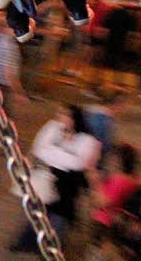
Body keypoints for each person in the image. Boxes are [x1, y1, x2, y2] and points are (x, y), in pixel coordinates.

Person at [10, 105, 101, 251]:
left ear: (74, 119)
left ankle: (52, 248)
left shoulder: (88, 140)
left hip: (69, 186)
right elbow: (39, 149)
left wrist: (53, 152)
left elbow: (78, 163)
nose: (60, 117)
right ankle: (28, 242)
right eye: (60, 113)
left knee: (60, 217)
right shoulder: (52, 128)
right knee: (39, 211)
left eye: (64, 115)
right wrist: (64, 156)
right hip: (48, 178)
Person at [90, 143, 141, 233]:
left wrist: (95, 182)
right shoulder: (135, 178)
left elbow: (101, 203)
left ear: (120, 161)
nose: (111, 160)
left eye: (114, 158)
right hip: (121, 221)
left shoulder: (119, 181)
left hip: (107, 222)